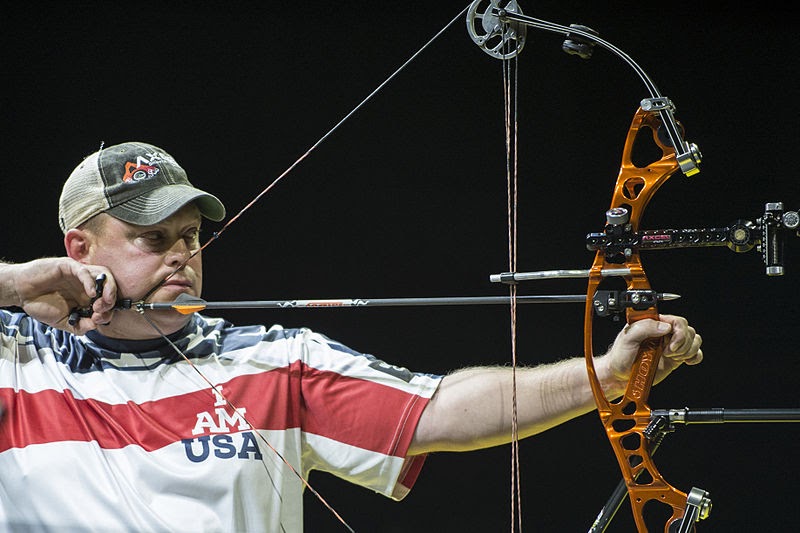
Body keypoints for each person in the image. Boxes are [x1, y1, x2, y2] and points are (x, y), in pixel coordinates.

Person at [0, 142, 703, 532]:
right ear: (80, 249)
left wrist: (606, 374)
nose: (182, 253)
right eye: (152, 238)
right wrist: (26, 282)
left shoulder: (271, 363)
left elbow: (442, 408)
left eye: (190, 235)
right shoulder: (17, 362)